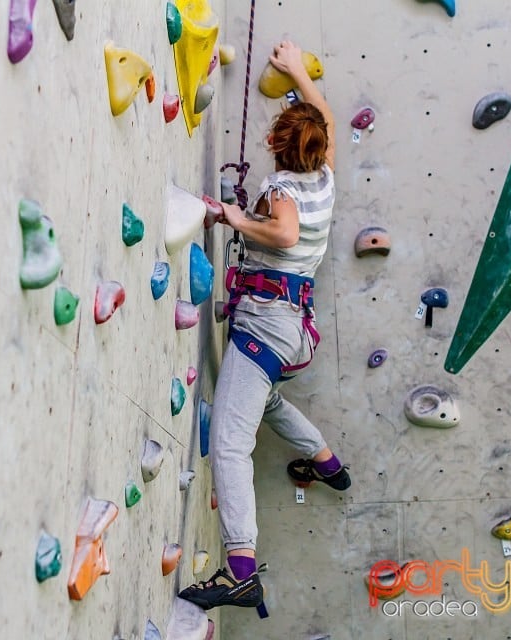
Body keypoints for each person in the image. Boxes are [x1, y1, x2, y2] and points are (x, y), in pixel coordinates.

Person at [179, 40, 350, 615]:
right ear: (319, 148)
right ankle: (326, 462)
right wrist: (298, 71)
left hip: (266, 326)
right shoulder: (325, 177)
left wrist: (229, 214)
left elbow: (279, 234)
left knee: (229, 442)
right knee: (266, 399)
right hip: (292, 328)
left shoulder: (281, 190)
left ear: (279, 146)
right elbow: (323, 118)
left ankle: (240, 570)